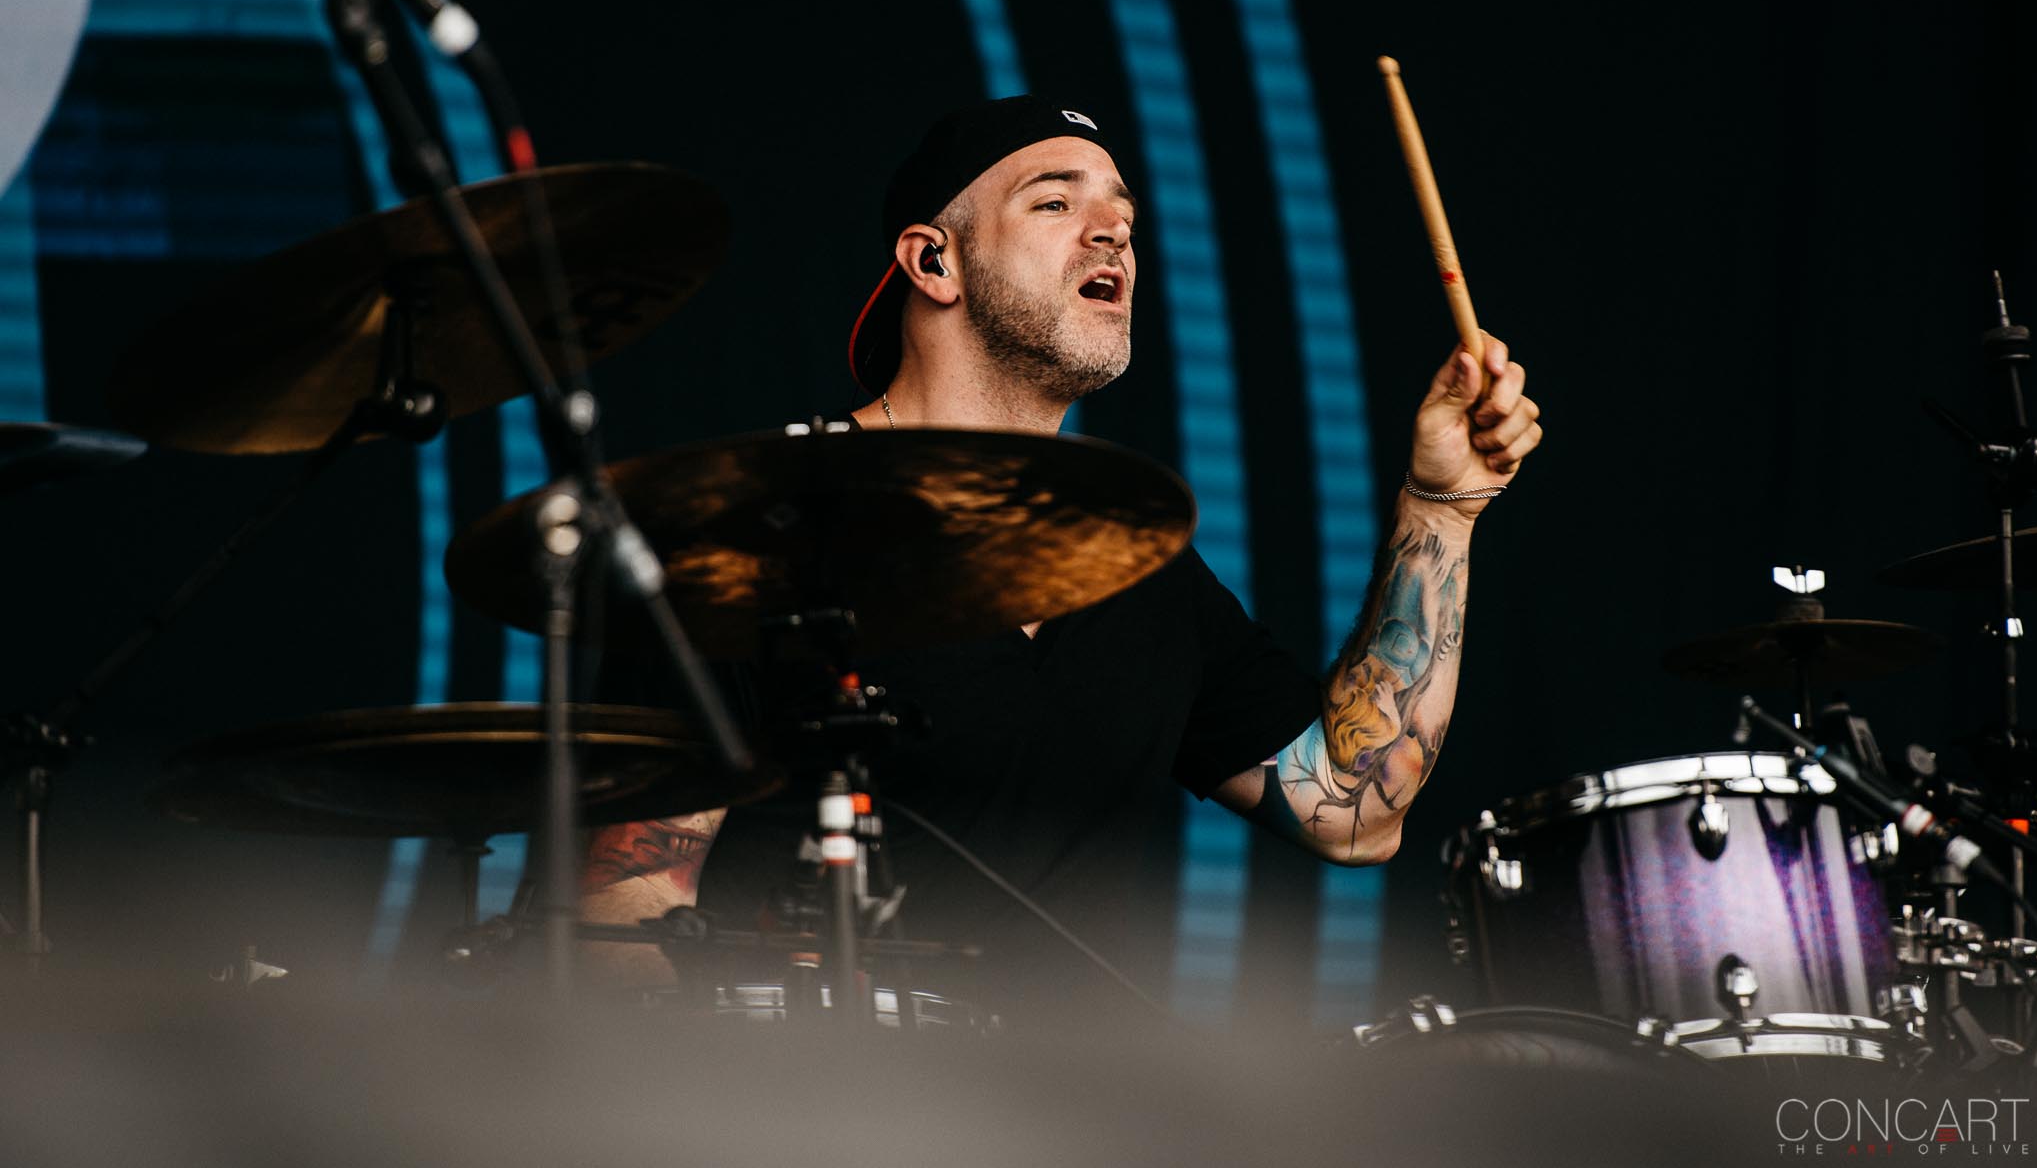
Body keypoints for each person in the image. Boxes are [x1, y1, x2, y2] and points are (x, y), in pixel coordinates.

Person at [579, 97, 1542, 1016]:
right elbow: (624, 911)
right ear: (933, 261)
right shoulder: (762, 531)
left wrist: (1442, 504)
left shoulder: (1137, 563)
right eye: (1055, 201)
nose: (1112, 231)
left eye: (1123, 212)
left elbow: (1354, 809)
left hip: (1081, 1114)